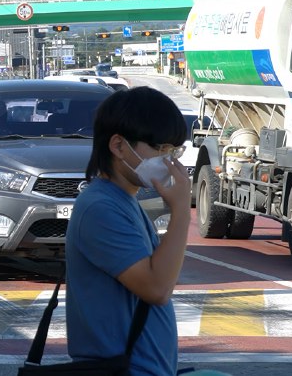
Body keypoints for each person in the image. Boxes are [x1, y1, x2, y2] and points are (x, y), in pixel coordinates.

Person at [65, 86, 191, 376]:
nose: (168, 161)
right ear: (119, 146)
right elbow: (157, 288)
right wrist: (182, 210)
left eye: (173, 150)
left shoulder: (124, 200)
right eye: (159, 149)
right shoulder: (101, 208)